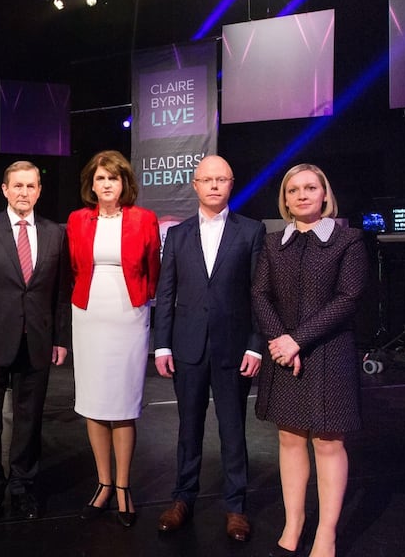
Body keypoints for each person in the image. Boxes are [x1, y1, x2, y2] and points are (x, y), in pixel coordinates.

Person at [252, 163, 368, 557]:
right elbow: (260, 296)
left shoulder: (347, 240)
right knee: (289, 438)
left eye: (310, 187)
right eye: (293, 190)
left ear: (324, 194)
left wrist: (295, 340)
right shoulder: (272, 243)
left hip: (329, 353)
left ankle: (327, 533)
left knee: (328, 443)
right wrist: (282, 342)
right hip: (286, 355)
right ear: (284, 199)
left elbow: (348, 298)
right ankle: (294, 522)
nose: (301, 195)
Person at [152, 155, 265, 541]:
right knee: (188, 429)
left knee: (233, 431)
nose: (214, 185)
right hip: (186, 346)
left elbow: (259, 295)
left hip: (234, 349)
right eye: (207, 179)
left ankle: (236, 507)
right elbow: (165, 292)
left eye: (222, 179)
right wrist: (161, 344)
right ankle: (183, 498)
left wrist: (256, 346)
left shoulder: (251, 231)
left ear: (232, 184)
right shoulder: (178, 234)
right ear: (195, 185)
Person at [0, 161, 71, 522]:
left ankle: (23, 487)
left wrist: (59, 339)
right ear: (4, 190)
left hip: (36, 342)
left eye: (30, 186)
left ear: (39, 190)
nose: (24, 193)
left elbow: (60, 293)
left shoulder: (55, 233)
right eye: (17, 186)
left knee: (29, 420)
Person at [66, 149, 161, 528]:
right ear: (92, 184)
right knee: (93, 402)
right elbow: (75, 265)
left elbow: (153, 266)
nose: (107, 184)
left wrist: (141, 300)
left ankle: (123, 487)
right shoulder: (77, 219)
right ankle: (103, 483)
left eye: (114, 178)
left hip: (129, 314)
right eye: (100, 178)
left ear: (125, 183)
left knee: (123, 404)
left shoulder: (144, 219)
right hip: (88, 312)